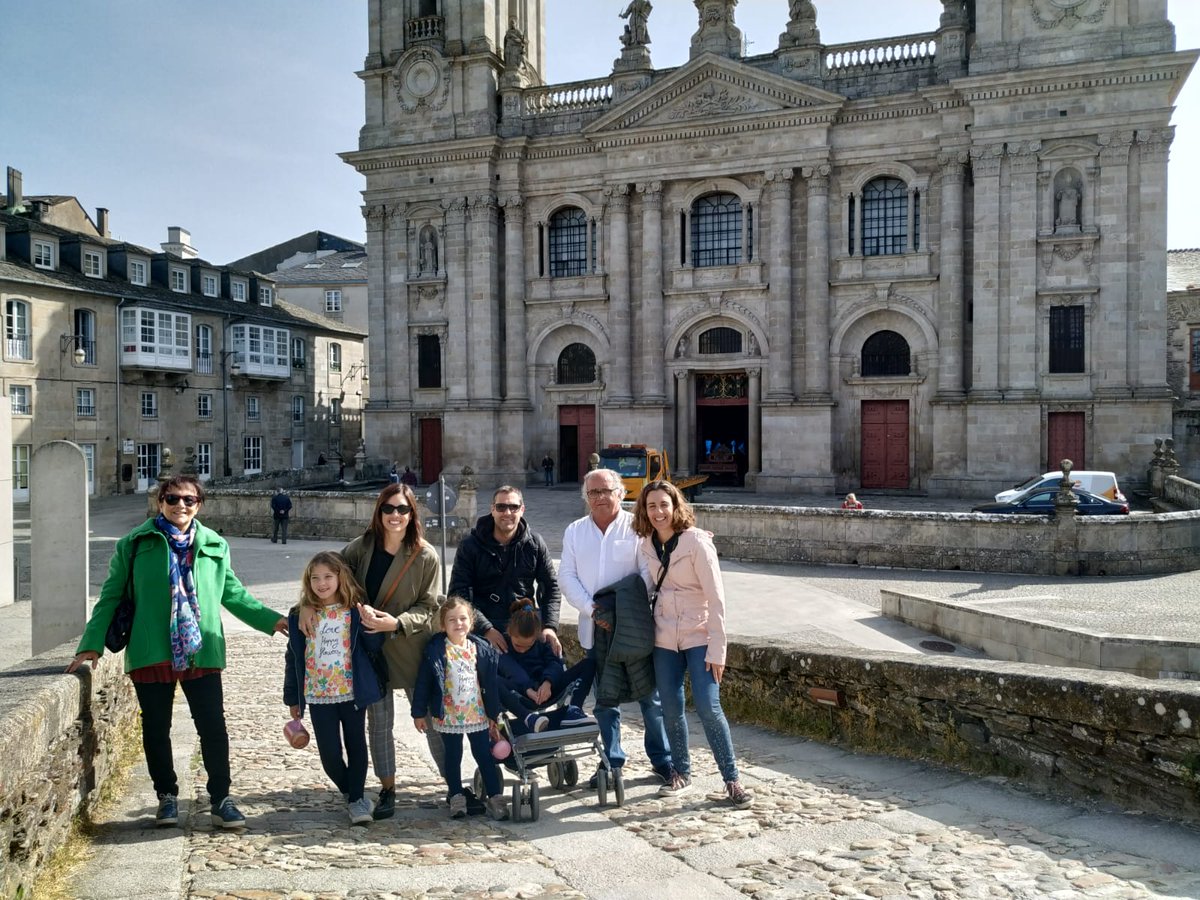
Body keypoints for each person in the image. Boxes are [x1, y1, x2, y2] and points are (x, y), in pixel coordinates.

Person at [67, 475, 288, 829]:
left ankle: (221, 799)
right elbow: (110, 596)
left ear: (199, 504)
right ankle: (166, 797)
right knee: (156, 728)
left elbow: (233, 594)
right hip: (152, 648)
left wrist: (274, 620)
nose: (180, 505)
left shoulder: (214, 544)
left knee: (213, 727)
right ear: (160, 502)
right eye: (172, 499)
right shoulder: (134, 544)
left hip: (200, 649)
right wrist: (91, 645)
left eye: (189, 500)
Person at [318, 483, 443, 820]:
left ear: (412, 513)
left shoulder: (425, 555)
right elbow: (326, 576)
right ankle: (388, 788)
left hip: (412, 646)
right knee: (379, 725)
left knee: (432, 720)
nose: (395, 516)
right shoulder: (361, 548)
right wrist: (305, 606)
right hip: (370, 651)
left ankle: (454, 783)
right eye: (388, 509)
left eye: (402, 509)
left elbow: (430, 605)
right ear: (379, 512)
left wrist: (396, 623)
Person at [633, 480, 754, 809]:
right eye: (651, 506)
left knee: (708, 706)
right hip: (664, 637)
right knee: (670, 707)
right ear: (644, 510)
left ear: (675, 507)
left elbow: (717, 599)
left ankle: (732, 779)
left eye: (663, 505)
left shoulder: (697, 543)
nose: (658, 512)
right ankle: (681, 773)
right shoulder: (645, 545)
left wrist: (718, 649)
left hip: (699, 635)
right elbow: (646, 587)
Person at [560, 468, 673, 788]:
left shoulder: (637, 528)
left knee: (649, 697)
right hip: (594, 629)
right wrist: (593, 609)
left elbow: (647, 574)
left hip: (632, 627)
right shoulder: (575, 531)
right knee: (605, 700)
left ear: (620, 493)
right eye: (592, 492)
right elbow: (566, 576)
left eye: (605, 491)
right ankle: (611, 760)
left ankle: (663, 760)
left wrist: (621, 610)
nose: (599, 498)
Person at [284, 551, 385, 825]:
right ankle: (353, 792)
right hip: (318, 695)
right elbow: (293, 656)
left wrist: (371, 624)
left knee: (356, 745)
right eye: (315, 578)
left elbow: (374, 648)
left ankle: (356, 801)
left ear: (340, 578)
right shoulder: (299, 616)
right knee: (329, 755)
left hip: (352, 692)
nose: (322, 583)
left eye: (328, 576)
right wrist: (292, 697)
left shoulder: (354, 611)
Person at [411, 597, 509, 821]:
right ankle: (456, 795)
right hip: (450, 715)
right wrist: (418, 713)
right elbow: (423, 683)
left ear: (471, 622)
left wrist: (494, 714)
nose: (458, 624)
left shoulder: (480, 649)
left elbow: (490, 686)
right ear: (443, 625)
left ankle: (495, 796)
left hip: (477, 713)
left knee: (484, 754)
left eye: (463, 618)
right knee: (453, 755)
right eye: (452, 620)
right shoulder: (436, 650)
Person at [449, 485, 561, 655]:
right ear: (492, 510)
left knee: (554, 667)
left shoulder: (535, 543)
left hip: (525, 627)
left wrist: (550, 627)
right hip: (485, 629)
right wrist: (486, 629)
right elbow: (458, 594)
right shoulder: (470, 545)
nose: (507, 513)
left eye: (513, 507)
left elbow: (551, 587)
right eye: (501, 507)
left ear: (522, 510)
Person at [498, 599, 596, 736]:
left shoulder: (542, 642)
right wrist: (528, 689)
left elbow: (554, 663)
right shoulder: (504, 645)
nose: (522, 650)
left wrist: (548, 682)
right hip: (521, 694)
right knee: (493, 679)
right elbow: (511, 669)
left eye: (528, 645)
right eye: (518, 646)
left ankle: (574, 709)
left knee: (589, 663)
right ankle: (528, 719)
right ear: (509, 633)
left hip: (549, 688)